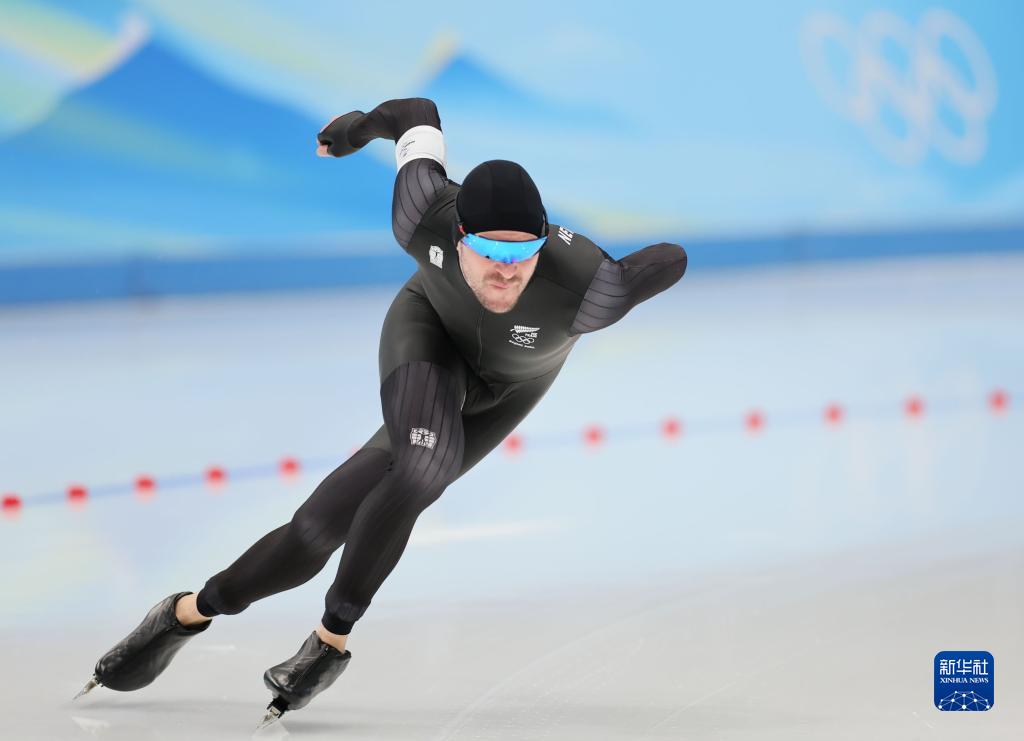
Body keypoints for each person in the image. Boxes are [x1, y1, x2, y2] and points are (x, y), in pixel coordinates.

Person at [77, 97, 688, 728]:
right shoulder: (422, 211)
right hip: (428, 334)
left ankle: (264, 628)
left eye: (523, 254)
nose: (507, 273)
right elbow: (416, 114)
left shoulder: (592, 287)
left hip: (511, 389)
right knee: (379, 493)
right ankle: (234, 623)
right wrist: (356, 129)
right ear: (458, 238)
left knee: (342, 515)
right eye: (489, 252)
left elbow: (670, 258)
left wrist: (630, 268)